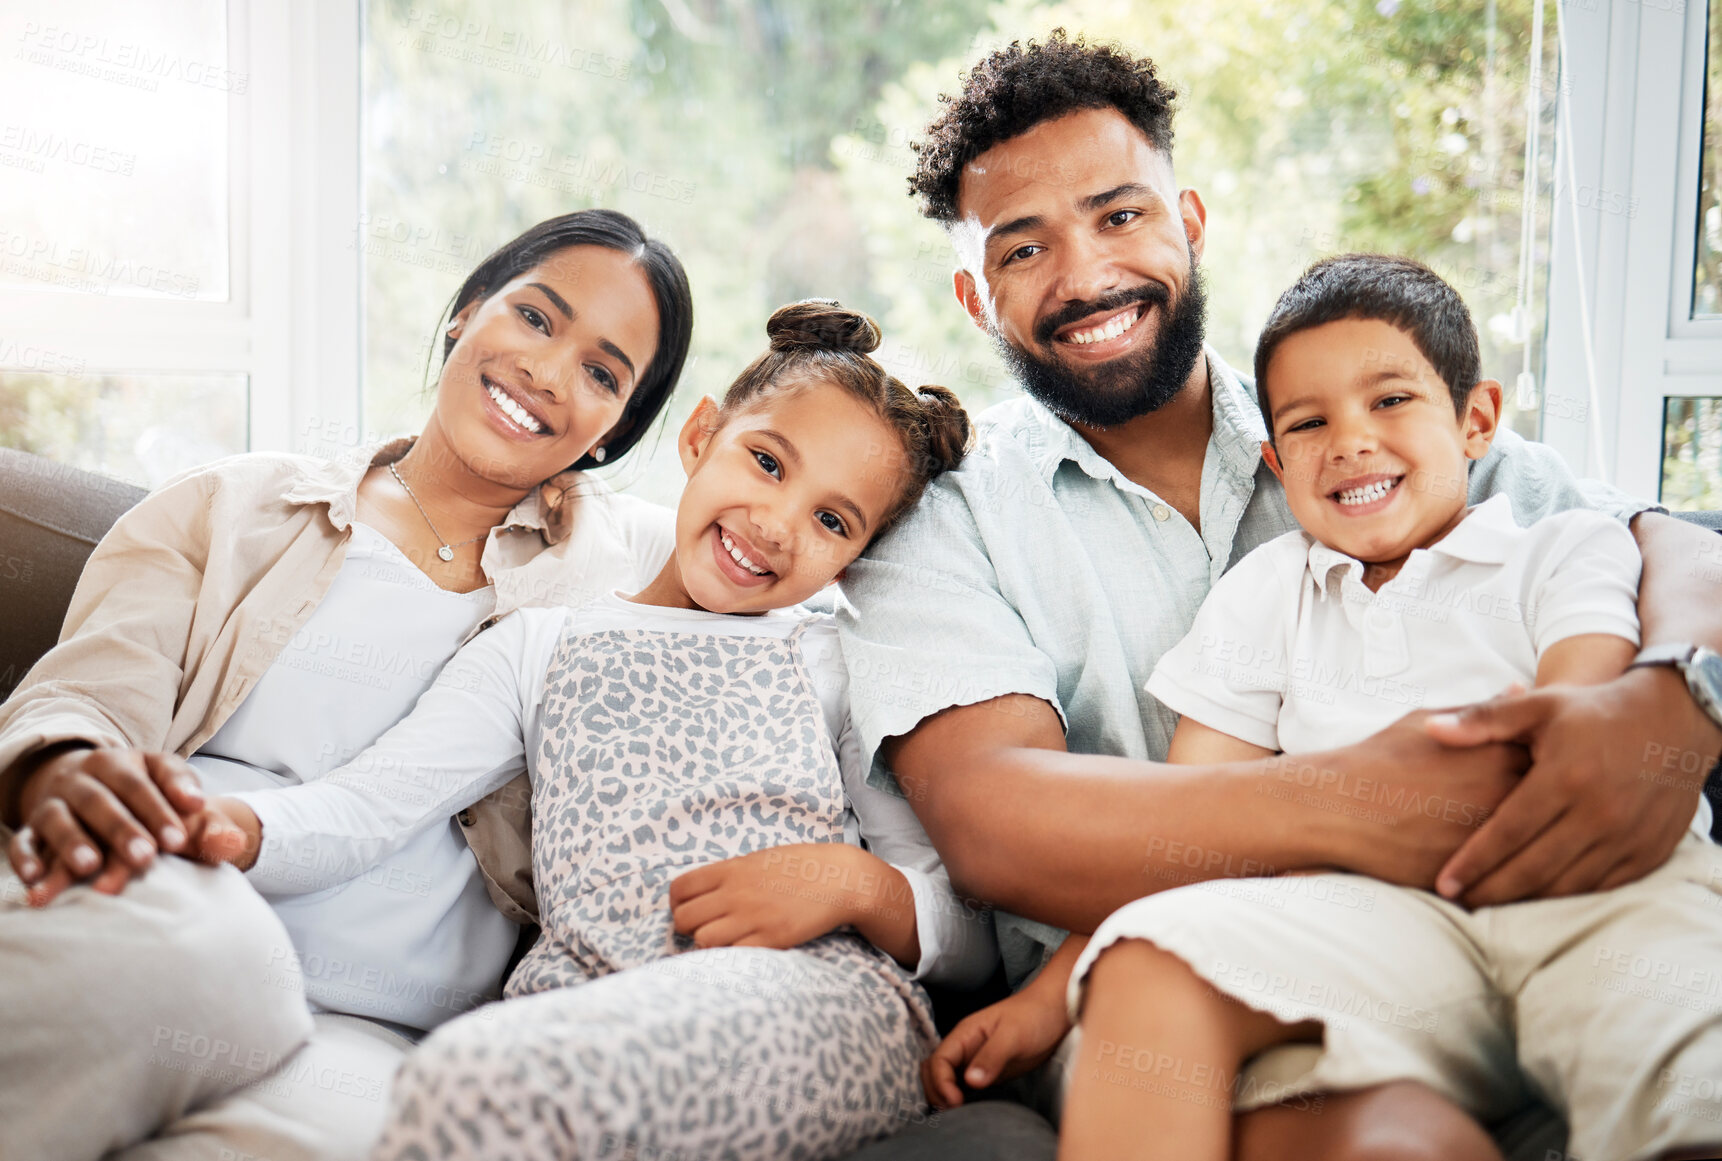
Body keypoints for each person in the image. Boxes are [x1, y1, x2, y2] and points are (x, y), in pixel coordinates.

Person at [837, 31, 1722, 1161]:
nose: (1087, 275)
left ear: (1189, 222)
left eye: (1120, 216)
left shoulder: (1357, 412)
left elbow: (1665, 546)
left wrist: (1676, 697)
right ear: (974, 294)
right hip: (1217, 968)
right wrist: (1372, 803)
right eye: (1024, 249)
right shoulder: (947, 519)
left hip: (1509, 925)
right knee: (1382, 1139)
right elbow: (996, 823)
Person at [181, 300, 996, 1160]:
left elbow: (971, 931)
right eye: (765, 462)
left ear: (856, 556)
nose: (776, 523)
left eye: (834, 521)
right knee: (463, 1079)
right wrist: (228, 826)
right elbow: (368, 808)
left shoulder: (829, 659)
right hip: (575, 1007)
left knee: (467, 1085)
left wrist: (853, 884)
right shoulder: (542, 645)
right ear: (699, 438)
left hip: (817, 1003)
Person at [0, 208, 694, 1161]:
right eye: (536, 317)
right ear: (466, 312)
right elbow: (84, 696)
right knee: (177, 968)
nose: (546, 370)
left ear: (613, 433)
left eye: (603, 372)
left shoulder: (621, 570)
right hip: (164, 899)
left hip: (374, 1035)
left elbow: (797, 522)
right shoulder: (237, 506)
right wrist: (58, 763)